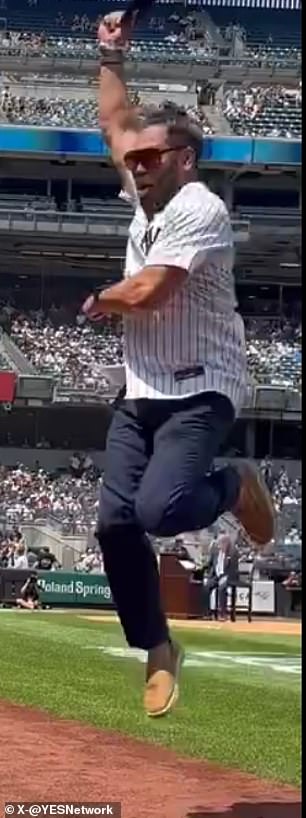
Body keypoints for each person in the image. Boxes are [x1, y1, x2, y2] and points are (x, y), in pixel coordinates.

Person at [82, 10, 274, 719]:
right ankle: (157, 649)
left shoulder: (199, 209)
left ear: (185, 159)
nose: (136, 167)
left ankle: (236, 485)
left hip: (201, 388)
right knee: (113, 523)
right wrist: (109, 57)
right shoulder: (146, 193)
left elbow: (152, 291)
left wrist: (103, 297)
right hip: (144, 387)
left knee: (159, 510)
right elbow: (114, 122)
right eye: (135, 161)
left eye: (150, 158)